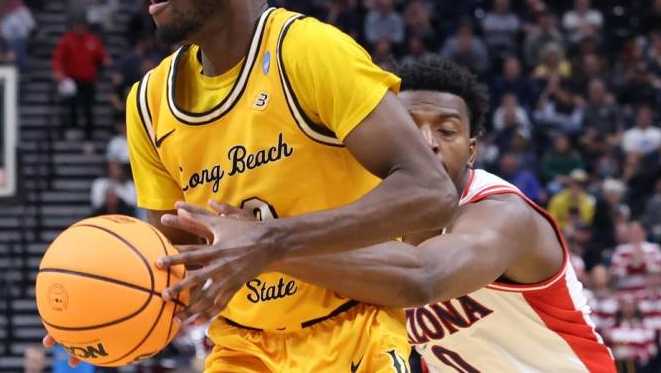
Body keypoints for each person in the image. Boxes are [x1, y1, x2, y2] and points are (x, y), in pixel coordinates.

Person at [46, 0, 458, 370]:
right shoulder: (147, 103)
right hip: (243, 348)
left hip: (355, 331)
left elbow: (431, 192)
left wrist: (270, 239)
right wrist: (99, 308)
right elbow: (180, 267)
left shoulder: (306, 51)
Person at [213, 58, 615, 371]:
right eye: (410, 126)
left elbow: (425, 277)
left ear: (471, 149)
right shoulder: (372, 220)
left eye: (446, 131)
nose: (428, 143)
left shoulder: (502, 215)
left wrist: (263, 244)